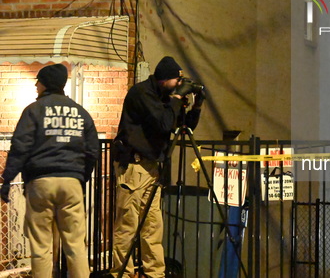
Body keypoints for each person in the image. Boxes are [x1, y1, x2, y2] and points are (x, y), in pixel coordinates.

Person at [0, 63, 99, 278]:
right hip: (71, 183)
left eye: (38, 81)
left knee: (41, 247)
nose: (36, 85)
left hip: (41, 182)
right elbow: (93, 149)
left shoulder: (34, 111)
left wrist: (8, 180)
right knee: (75, 245)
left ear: (45, 84)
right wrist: (82, 177)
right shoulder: (80, 112)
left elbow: (20, 146)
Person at [111, 56, 204, 278]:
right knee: (128, 226)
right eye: (176, 81)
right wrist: (177, 96)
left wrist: (197, 105)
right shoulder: (142, 94)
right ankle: (121, 274)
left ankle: (155, 274)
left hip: (152, 169)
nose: (180, 85)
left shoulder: (167, 98)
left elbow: (184, 126)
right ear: (164, 80)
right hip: (133, 167)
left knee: (153, 226)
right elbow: (163, 123)